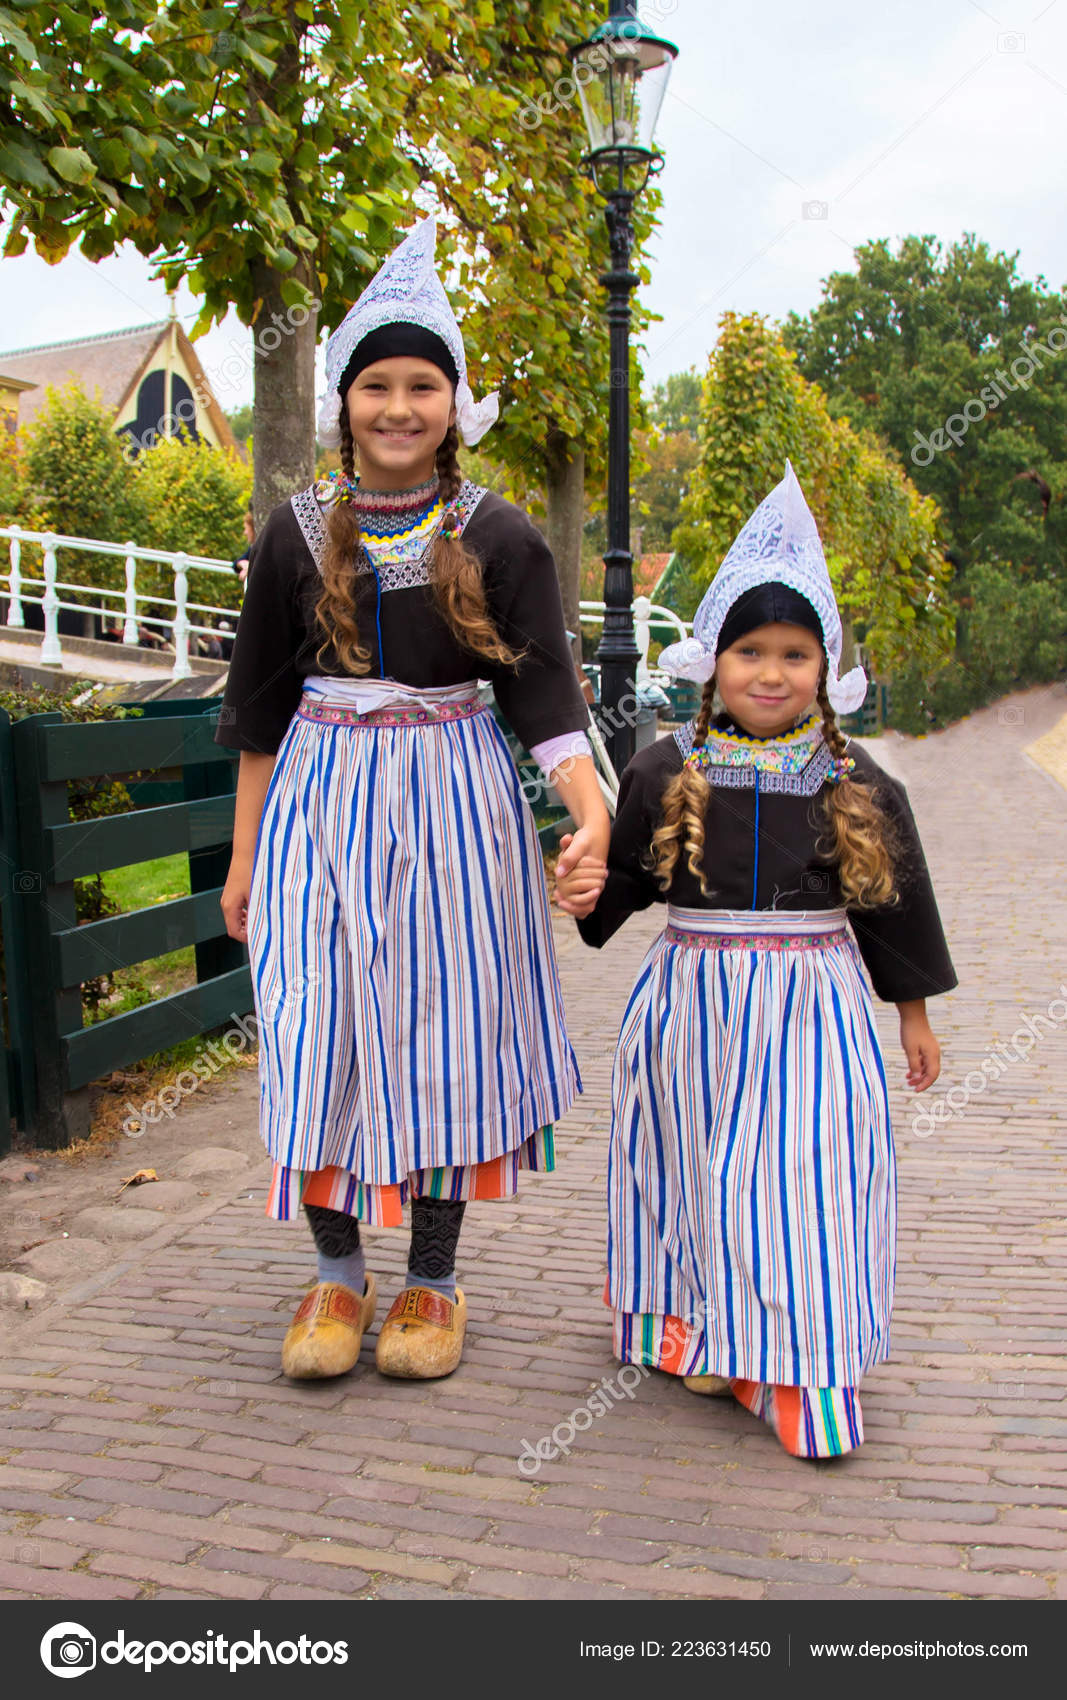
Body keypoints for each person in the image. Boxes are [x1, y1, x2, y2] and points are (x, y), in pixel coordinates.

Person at [216, 216, 609, 1383]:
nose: (398, 406)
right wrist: (243, 862)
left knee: (442, 1033)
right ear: (344, 402)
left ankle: (431, 1284)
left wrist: (587, 812)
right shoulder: (289, 540)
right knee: (316, 1026)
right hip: (319, 807)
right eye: (375, 384)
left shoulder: (499, 535)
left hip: (451, 804)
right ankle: (337, 1270)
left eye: (421, 384)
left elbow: (545, 699)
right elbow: (255, 715)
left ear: (452, 401)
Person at [555, 463, 957, 1458]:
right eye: (746, 651)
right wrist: (579, 887)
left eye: (790, 653)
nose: (768, 674)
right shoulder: (662, 767)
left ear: (823, 665)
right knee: (694, 1168)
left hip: (812, 1015)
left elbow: (891, 904)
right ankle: (698, 1324)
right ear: (712, 658)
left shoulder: (858, 780)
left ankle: (797, 1365)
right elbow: (620, 897)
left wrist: (909, 1010)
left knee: (798, 1178)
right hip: (691, 1009)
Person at [232, 510, 255, 585]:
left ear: (253, 529)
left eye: (246, 528)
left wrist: (250, 568)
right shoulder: (253, 548)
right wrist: (243, 563)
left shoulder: (262, 548)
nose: (245, 533)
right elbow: (235, 564)